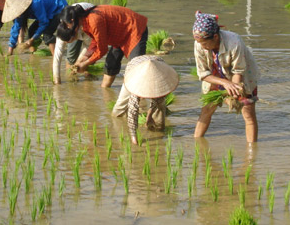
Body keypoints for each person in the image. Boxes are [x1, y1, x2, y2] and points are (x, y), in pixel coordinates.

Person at [192, 11, 260, 142]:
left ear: (216, 37)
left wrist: (234, 92)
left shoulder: (234, 42)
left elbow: (238, 71)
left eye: (205, 44)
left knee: (248, 113)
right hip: (215, 76)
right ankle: (197, 143)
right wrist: (224, 82)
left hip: (242, 76)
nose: (203, 47)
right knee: (207, 109)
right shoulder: (199, 44)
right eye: (200, 43)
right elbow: (203, 73)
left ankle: (252, 154)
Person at [55, 4, 148, 88]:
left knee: (135, 68)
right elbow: (96, 42)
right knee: (110, 64)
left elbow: (102, 50)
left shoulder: (93, 20)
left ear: (72, 21)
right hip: (119, 35)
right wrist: (84, 58)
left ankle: (142, 99)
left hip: (134, 29)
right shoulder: (84, 23)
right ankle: (105, 91)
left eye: (67, 25)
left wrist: (85, 64)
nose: (67, 27)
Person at [111, 55, 178, 145]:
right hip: (133, 70)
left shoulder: (160, 77)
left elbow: (158, 100)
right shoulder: (135, 82)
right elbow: (133, 111)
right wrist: (133, 136)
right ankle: (118, 121)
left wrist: (149, 115)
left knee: (160, 106)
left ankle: (157, 130)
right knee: (120, 106)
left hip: (157, 67)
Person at [1, 0, 68, 55]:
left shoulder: (36, 4)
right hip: (47, 13)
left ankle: (55, 57)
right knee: (31, 31)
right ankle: (33, 52)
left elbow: (44, 23)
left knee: (47, 33)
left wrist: (32, 39)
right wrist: (10, 50)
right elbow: (16, 29)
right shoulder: (20, 13)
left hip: (60, 8)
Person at [52, 2, 95, 84]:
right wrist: (57, 79)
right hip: (72, 21)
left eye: (68, 41)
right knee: (71, 56)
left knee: (89, 57)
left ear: (74, 36)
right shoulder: (62, 32)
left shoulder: (85, 29)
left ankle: (88, 80)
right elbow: (57, 58)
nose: (66, 43)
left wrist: (78, 62)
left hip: (88, 16)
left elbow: (88, 47)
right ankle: (72, 78)